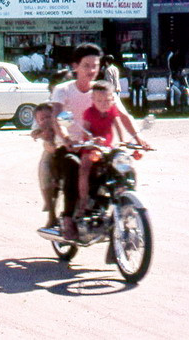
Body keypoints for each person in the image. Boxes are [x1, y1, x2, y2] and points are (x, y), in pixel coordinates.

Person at [50, 43, 140, 238]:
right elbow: (56, 116)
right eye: (86, 65)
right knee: (73, 166)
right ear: (75, 66)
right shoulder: (62, 89)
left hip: (99, 147)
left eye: (95, 65)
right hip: (71, 146)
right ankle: (68, 217)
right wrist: (65, 139)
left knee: (123, 168)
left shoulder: (102, 91)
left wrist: (138, 139)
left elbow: (123, 116)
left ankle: (119, 209)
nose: (91, 70)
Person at [75, 81, 148, 216]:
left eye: (107, 100)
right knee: (84, 169)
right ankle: (83, 202)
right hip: (92, 148)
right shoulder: (89, 113)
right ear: (93, 100)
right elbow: (84, 132)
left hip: (107, 148)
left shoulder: (112, 110)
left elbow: (118, 125)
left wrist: (123, 142)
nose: (104, 103)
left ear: (112, 99)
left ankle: (125, 195)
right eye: (99, 100)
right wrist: (92, 140)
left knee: (125, 166)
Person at [30, 102, 71, 228]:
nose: (46, 120)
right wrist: (41, 134)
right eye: (42, 119)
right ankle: (51, 211)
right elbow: (34, 132)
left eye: (48, 117)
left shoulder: (61, 111)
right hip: (51, 150)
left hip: (67, 147)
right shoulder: (41, 111)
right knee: (44, 169)